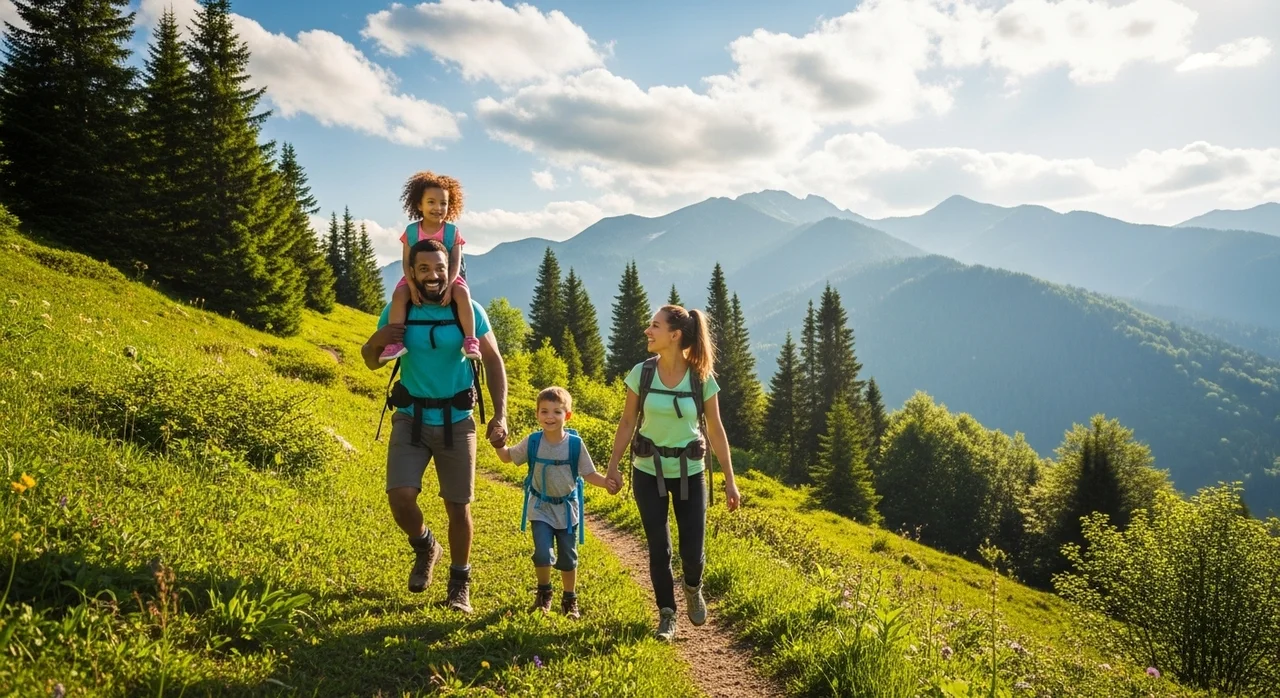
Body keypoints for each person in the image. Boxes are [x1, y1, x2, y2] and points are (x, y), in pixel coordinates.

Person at [361, 238, 509, 613]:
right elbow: (372, 362)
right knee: (400, 497)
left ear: (450, 269)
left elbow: (493, 362)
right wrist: (377, 340)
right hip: (410, 417)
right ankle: (426, 545)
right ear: (410, 272)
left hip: (457, 421)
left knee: (457, 506)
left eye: (440, 268)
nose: (433, 275)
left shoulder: (469, 309)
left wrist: (500, 414)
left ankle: (460, 583)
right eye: (424, 269)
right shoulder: (398, 310)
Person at [603, 304, 741, 642]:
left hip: (690, 471)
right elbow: (626, 422)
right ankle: (667, 614)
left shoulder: (701, 378)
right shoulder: (641, 373)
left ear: (675, 335)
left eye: (655, 326)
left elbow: (716, 429)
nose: (648, 332)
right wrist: (613, 464)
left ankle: (693, 587)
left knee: (692, 553)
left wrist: (730, 480)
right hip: (647, 471)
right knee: (658, 548)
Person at [496, 386, 612, 619]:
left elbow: (588, 474)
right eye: (544, 411)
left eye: (557, 412)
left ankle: (569, 598)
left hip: (568, 511)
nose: (550, 417)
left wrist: (607, 483)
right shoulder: (533, 441)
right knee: (542, 552)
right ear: (537, 414)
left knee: (568, 558)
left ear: (567, 416)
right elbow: (508, 457)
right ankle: (544, 594)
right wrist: (498, 443)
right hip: (540, 507)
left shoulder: (575, 445)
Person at [379, 171, 480, 364]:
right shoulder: (411, 231)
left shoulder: (452, 231)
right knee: (399, 296)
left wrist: (450, 287)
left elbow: (455, 263)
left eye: (443, 203)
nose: (438, 207)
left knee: (463, 295)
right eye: (431, 202)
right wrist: (412, 285)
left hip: (449, 276)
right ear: (419, 205)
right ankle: (395, 343)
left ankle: (470, 340)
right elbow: (406, 261)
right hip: (416, 277)